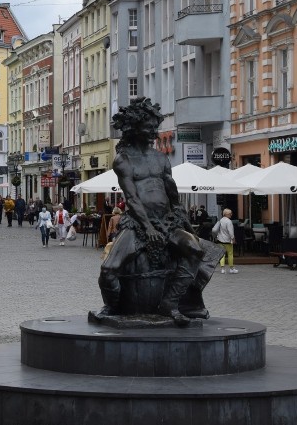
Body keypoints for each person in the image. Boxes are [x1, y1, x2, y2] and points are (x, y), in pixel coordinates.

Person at [94, 98, 223, 327]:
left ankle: (170, 303)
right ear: (134, 129)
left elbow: (170, 190)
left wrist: (179, 215)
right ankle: (113, 306)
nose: (154, 132)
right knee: (109, 269)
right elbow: (132, 198)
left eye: (155, 127)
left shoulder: (161, 158)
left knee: (195, 250)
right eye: (149, 127)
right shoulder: (123, 160)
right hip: (137, 222)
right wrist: (148, 227)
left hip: (167, 221)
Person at [213, 208, 237, 274]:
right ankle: (231, 268)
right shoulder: (229, 221)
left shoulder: (220, 220)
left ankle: (222, 269)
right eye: (230, 213)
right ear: (227, 214)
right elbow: (231, 232)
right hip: (227, 240)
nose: (231, 215)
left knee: (222, 255)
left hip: (220, 239)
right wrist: (233, 239)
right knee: (230, 254)